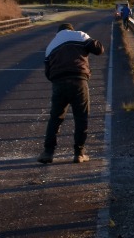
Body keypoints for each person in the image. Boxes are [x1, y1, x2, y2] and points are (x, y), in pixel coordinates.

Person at [39, 23, 104, 164]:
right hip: (78, 80)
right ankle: (79, 153)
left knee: (55, 118)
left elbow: (48, 73)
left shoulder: (50, 46)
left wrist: (58, 79)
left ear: (58, 32)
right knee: (81, 117)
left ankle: (48, 153)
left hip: (59, 83)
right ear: (71, 29)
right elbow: (99, 50)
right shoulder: (80, 35)